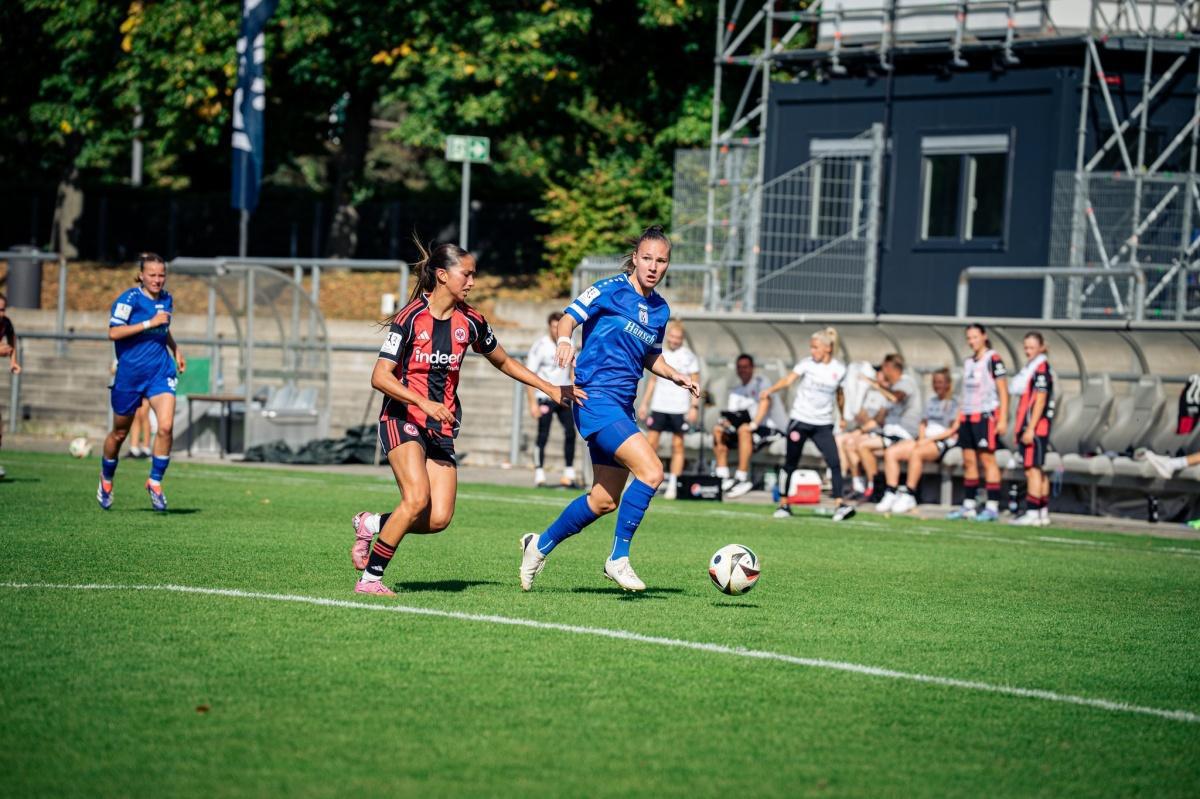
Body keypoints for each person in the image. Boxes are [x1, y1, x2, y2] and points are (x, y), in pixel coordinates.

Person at [350, 242, 582, 596]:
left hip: (441, 425)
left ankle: (371, 523)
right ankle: (370, 580)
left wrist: (549, 387)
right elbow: (380, 376)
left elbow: (503, 361)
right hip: (402, 418)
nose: (472, 281)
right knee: (415, 500)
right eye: (467, 274)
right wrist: (422, 402)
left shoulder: (471, 321)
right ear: (443, 276)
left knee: (439, 518)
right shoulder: (410, 318)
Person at [519, 225, 698, 593]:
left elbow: (651, 356)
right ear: (635, 258)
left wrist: (675, 375)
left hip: (622, 405)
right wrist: (566, 339)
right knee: (651, 471)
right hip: (594, 399)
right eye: (646, 258)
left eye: (660, 260)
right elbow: (569, 316)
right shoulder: (608, 289)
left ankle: (538, 546)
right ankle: (618, 558)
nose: (652, 266)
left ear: (667, 265)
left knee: (602, 501)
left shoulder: (660, 309)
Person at [99, 253, 186, 511]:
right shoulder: (128, 300)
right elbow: (113, 332)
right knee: (120, 433)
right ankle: (106, 478)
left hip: (160, 372)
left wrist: (175, 348)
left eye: (161, 275)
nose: (157, 280)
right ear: (141, 275)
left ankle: (155, 481)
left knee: (166, 427)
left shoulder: (167, 299)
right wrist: (149, 322)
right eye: (152, 275)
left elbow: (163, 327)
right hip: (130, 376)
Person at [755, 327, 856, 521]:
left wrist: (842, 416)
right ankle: (784, 504)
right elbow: (788, 380)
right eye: (811, 347)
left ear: (827, 348)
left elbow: (840, 395)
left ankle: (839, 505)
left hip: (823, 423)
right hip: (800, 420)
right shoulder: (807, 365)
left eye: (815, 347)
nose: (812, 351)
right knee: (790, 462)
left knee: (834, 462)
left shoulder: (838, 369)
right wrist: (771, 390)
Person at [947, 323, 1009, 521]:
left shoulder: (993, 359)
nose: (972, 341)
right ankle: (969, 505)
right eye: (969, 338)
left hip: (985, 415)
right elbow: (964, 393)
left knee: (987, 460)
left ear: (984, 336)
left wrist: (1003, 418)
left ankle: (992, 506)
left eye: (975, 337)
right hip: (967, 416)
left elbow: (1003, 391)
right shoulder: (968, 362)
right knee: (969, 461)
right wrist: (958, 418)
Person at [882, 369, 960, 514]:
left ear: (948, 384)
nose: (937, 385)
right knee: (892, 452)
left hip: (941, 442)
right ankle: (891, 491)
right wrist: (922, 438)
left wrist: (928, 440)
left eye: (941, 382)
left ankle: (909, 493)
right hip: (924, 439)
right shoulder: (931, 401)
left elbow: (952, 429)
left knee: (916, 453)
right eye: (935, 382)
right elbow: (923, 423)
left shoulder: (953, 403)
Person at [638, 319, 701, 499]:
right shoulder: (660, 353)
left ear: (682, 338)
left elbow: (695, 382)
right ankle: (644, 479)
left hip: (679, 408)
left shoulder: (689, 356)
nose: (674, 340)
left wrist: (693, 407)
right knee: (650, 445)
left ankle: (673, 483)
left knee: (678, 445)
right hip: (659, 405)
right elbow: (653, 381)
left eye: (678, 337)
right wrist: (645, 403)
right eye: (672, 336)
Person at [855, 354, 921, 506]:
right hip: (889, 432)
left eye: (884, 367)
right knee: (856, 443)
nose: (883, 371)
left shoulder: (906, 383)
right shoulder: (891, 387)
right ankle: (869, 486)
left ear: (891, 368)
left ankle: (880, 489)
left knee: (865, 446)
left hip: (903, 434)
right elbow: (880, 418)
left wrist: (875, 384)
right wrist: (861, 426)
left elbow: (896, 398)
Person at [712, 354, 777, 498]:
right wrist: (725, 423)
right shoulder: (736, 391)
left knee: (744, 429)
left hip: (764, 428)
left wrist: (754, 424)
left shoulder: (761, 382)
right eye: (740, 367)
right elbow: (733, 415)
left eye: (746, 367)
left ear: (752, 368)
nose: (743, 370)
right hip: (743, 430)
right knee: (718, 430)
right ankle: (723, 477)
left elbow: (766, 402)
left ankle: (742, 478)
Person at [525, 311, 577, 488]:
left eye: (559, 326)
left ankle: (568, 474)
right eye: (554, 327)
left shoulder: (568, 343)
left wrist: (574, 385)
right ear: (549, 327)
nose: (557, 330)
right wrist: (532, 403)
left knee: (571, 431)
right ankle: (539, 474)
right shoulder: (540, 346)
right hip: (544, 397)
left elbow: (571, 369)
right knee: (543, 434)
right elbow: (529, 376)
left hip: (563, 395)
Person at [1008, 332, 1054, 526]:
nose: (1028, 351)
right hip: (1031, 427)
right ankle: (1042, 512)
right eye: (1026, 347)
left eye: (1032, 347)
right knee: (1037, 469)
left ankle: (1033, 512)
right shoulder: (1031, 368)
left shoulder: (1041, 369)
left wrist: (1030, 428)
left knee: (1031, 470)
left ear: (1042, 347)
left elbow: (1040, 400)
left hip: (1035, 427)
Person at [0, 293, 21, 480]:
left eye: (3, 309)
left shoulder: (6, 323)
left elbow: (12, 340)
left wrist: (13, 362)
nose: (2, 312)